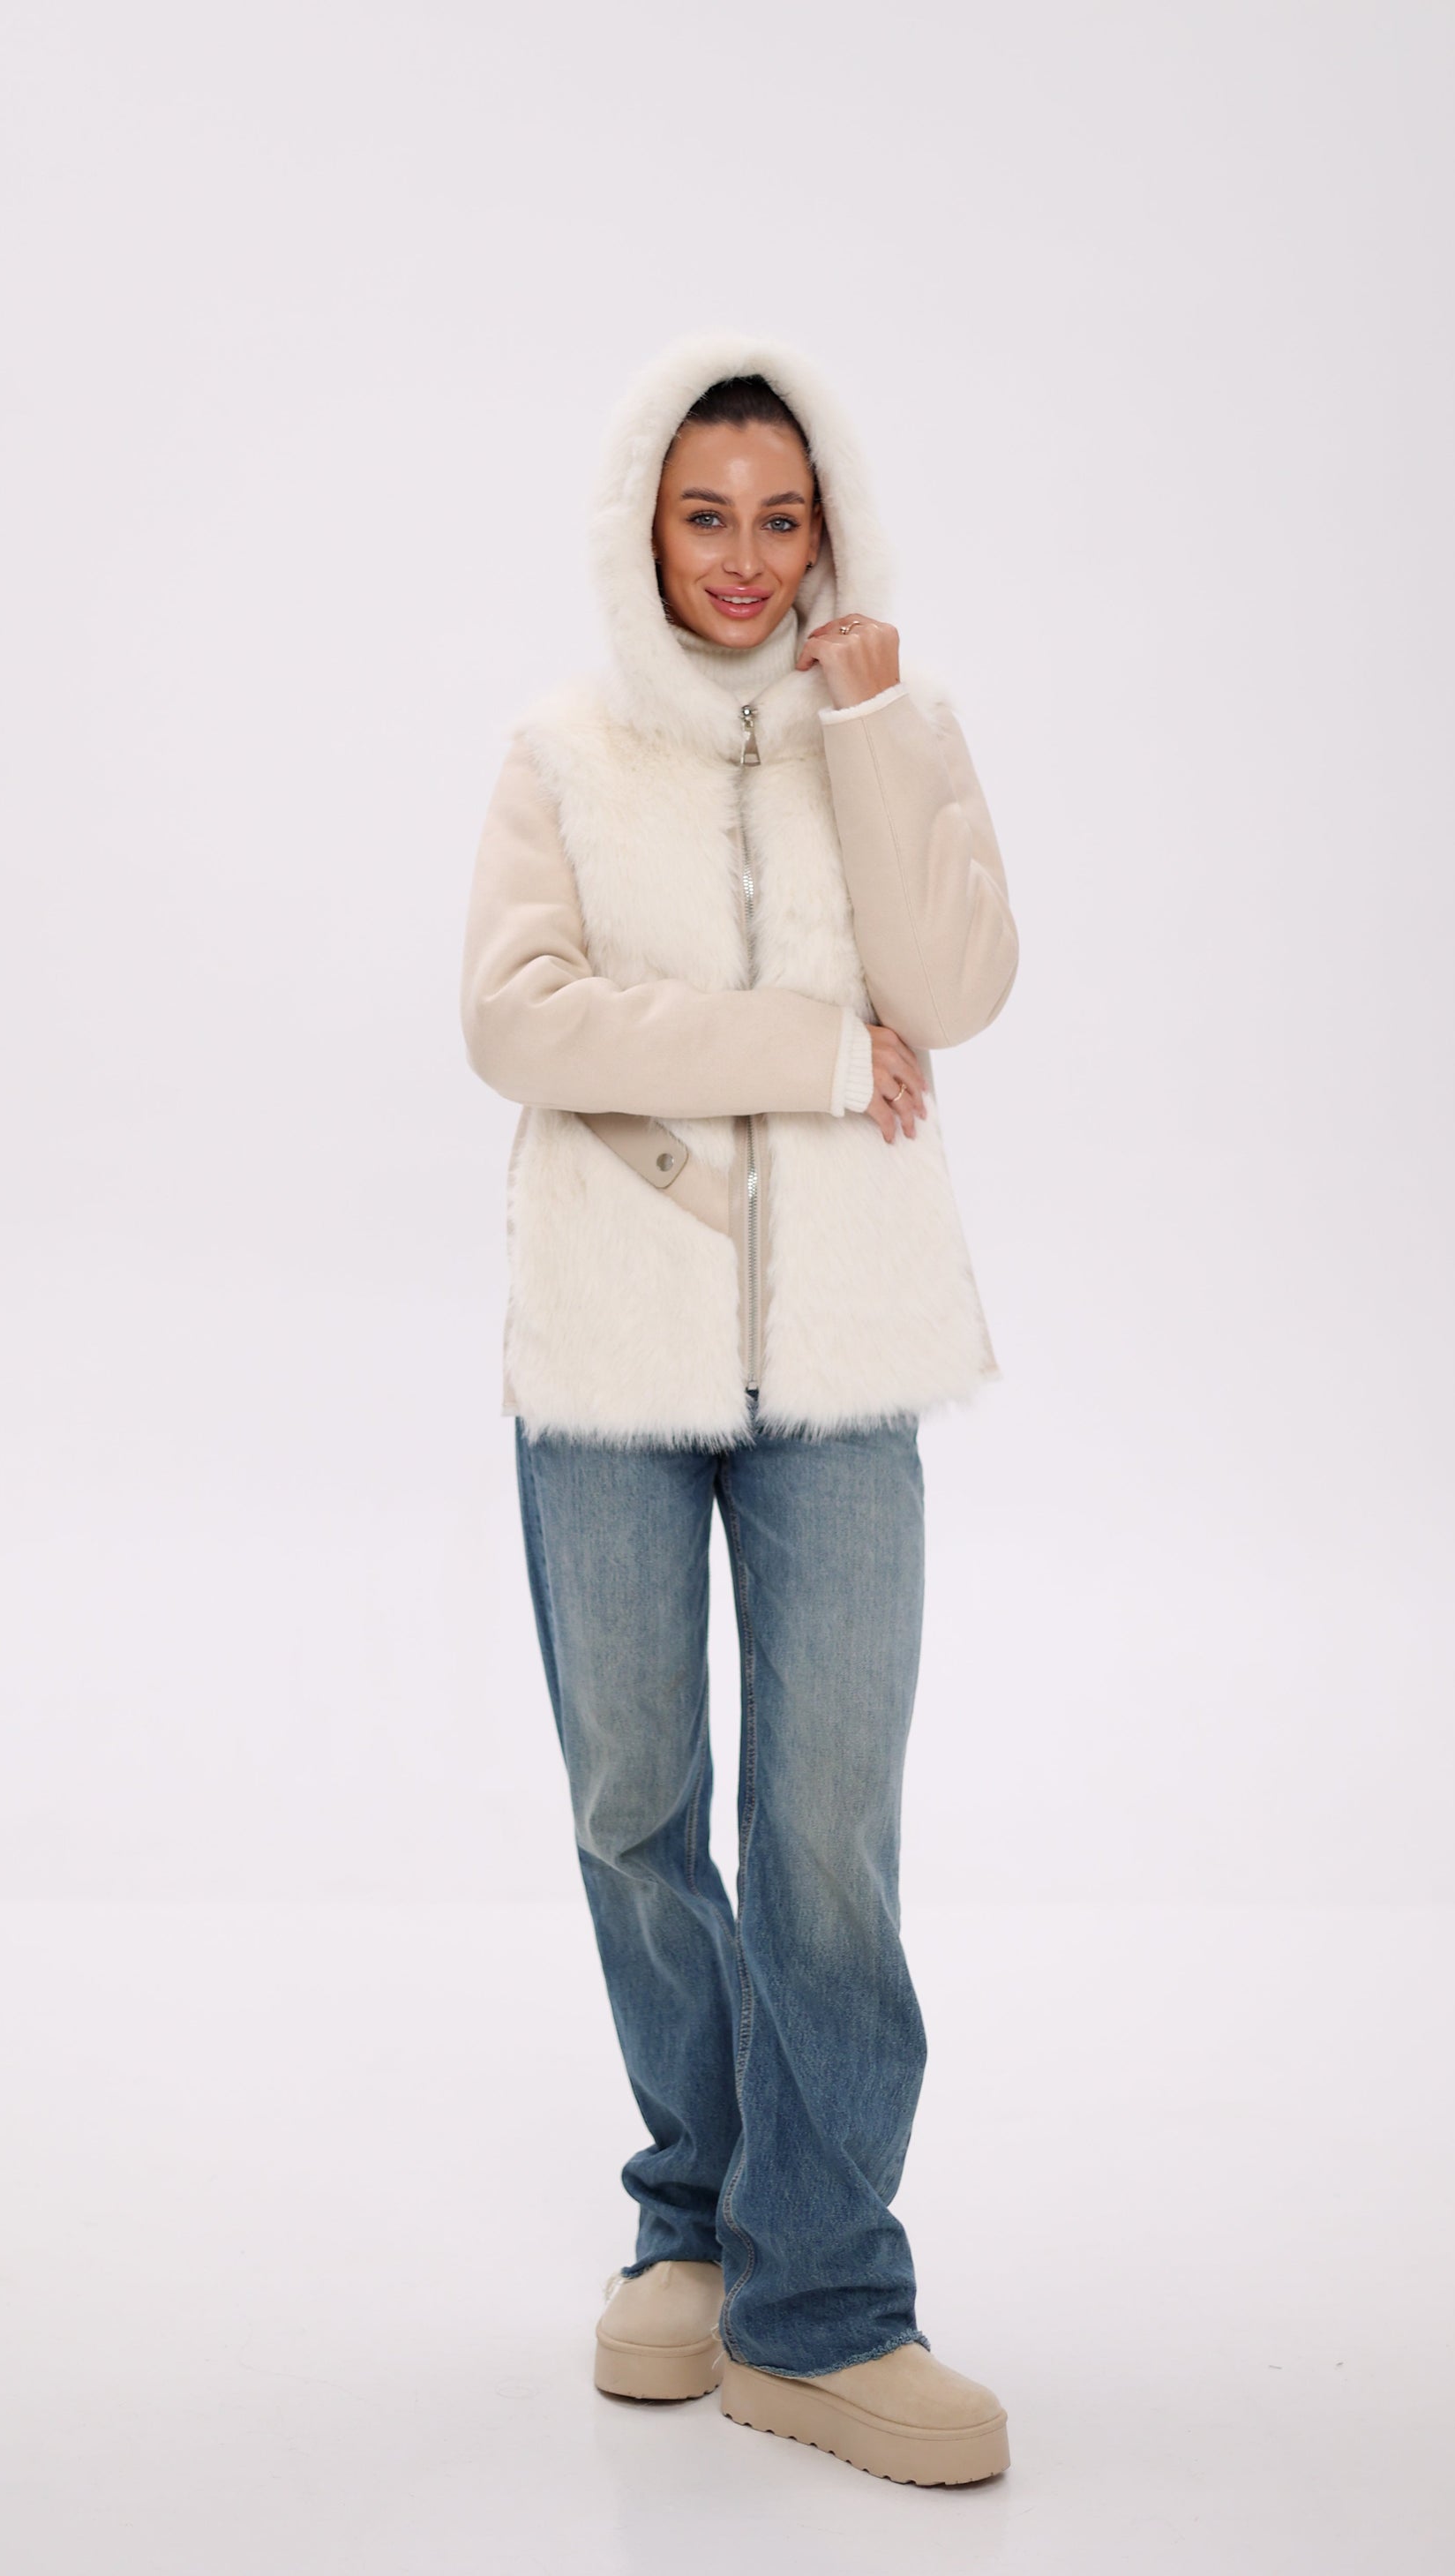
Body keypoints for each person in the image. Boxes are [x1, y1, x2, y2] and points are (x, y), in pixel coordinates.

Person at [460, 334, 1019, 2487]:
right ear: (646, 520)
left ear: (827, 528)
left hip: (846, 1353)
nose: (745, 555)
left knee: (823, 1827)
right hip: (607, 1351)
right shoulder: (560, 745)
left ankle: (825, 2296)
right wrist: (798, 1046)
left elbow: (954, 991)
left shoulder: (888, 723)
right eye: (707, 513)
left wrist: (872, 729)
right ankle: (691, 2217)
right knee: (633, 1798)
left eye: (782, 517)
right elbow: (517, 1019)